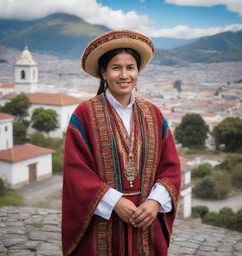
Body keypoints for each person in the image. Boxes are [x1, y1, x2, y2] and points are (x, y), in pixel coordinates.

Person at [62, 30, 181, 256]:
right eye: (116, 67)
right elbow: (76, 171)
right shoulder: (84, 114)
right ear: (104, 73)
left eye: (130, 67)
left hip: (146, 221)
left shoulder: (154, 114)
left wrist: (155, 202)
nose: (124, 75)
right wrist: (115, 202)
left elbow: (171, 167)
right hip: (102, 223)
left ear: (138, 72)